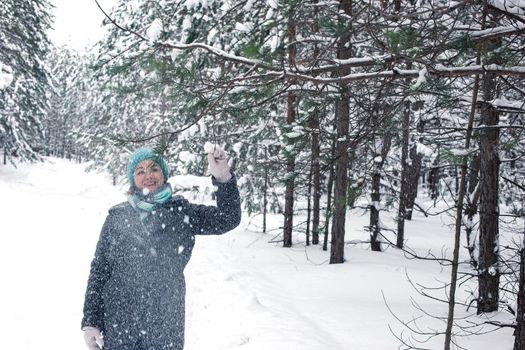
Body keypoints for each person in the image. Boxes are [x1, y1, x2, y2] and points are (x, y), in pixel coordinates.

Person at [81, 146, 241, 350]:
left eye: (154, 168)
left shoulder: (182, 212)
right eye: (140, 171)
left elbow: (228, 218)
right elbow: (99, 270)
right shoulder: (117, 217)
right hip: (119, 322)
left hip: (165, 325)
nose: (148, 175)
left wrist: (223, 178)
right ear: (133, 180)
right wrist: (91, 322)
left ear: (164, 174)